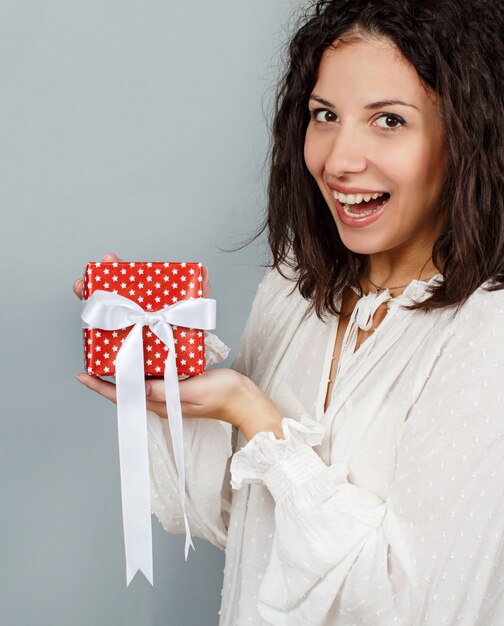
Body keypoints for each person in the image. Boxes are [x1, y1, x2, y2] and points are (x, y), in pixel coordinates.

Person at [74, 0, 504, 623]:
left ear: (471, 133)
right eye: (324, 115)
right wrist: (165, 372)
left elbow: (411, 606)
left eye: (388, 120)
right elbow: (226, 516)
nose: (338, 160)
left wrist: (253, 413)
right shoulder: (296, 286)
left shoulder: (486, 332)